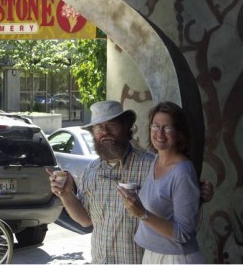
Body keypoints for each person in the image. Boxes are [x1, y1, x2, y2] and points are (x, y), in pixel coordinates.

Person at [47, 100, 212, 264]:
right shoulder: (91, 171)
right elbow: (85, 220)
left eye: (111, 125)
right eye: (98, 127)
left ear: (126, 126)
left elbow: (182, 216)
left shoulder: (152, 165)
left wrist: (198, 196)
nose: (105, 132)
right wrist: (66, 194)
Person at [117, 101, 204, 263]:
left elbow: (185, 233)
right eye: (155, 126)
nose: (160, 134)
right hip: (153, 254)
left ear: (179, 133)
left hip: (176, 258)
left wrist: (142, 214)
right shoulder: (156, 160)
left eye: (168, 128)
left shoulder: (183, 172)